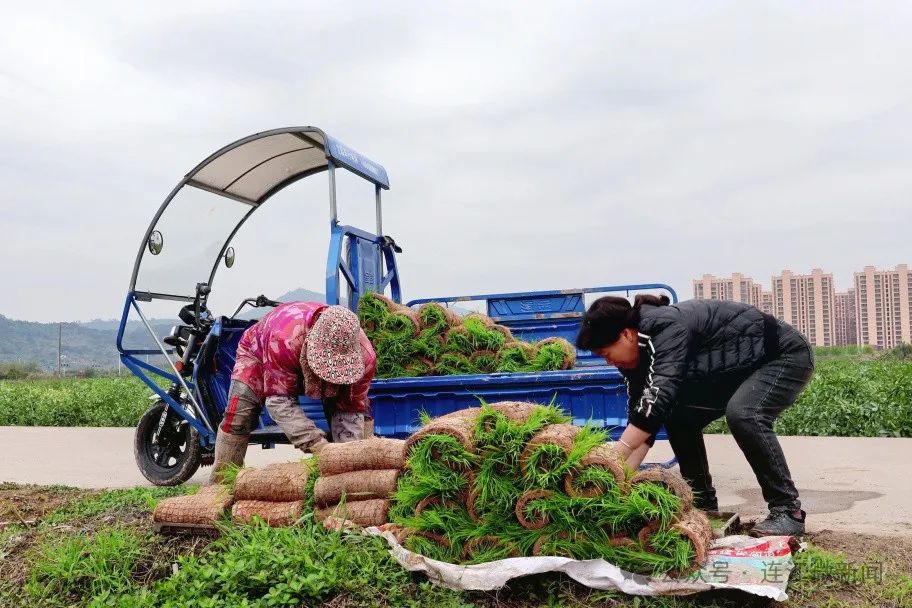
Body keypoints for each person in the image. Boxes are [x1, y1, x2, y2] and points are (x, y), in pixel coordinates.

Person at [575, 294, 814, 537]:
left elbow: (659, 396)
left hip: (781, 355)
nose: (609, 361)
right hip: (735, 371)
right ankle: (703, 506)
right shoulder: (634, 359)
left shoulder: (663, 327)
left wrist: (615, 454)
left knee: (744, 414)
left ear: (626, 334)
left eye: (606, 353)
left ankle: (787, 511)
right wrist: (618, 478)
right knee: (676, 414)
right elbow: (644, 418)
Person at [209, 302, 376, 483]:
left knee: (351, 444)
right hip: (257, 352)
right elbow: (280, 403)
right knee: (239, 415)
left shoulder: (365, 359)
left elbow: (352, 410)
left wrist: (350, 460)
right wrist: (319, 447)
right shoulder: (283, 339)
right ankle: (220, 487)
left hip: (299, 350)